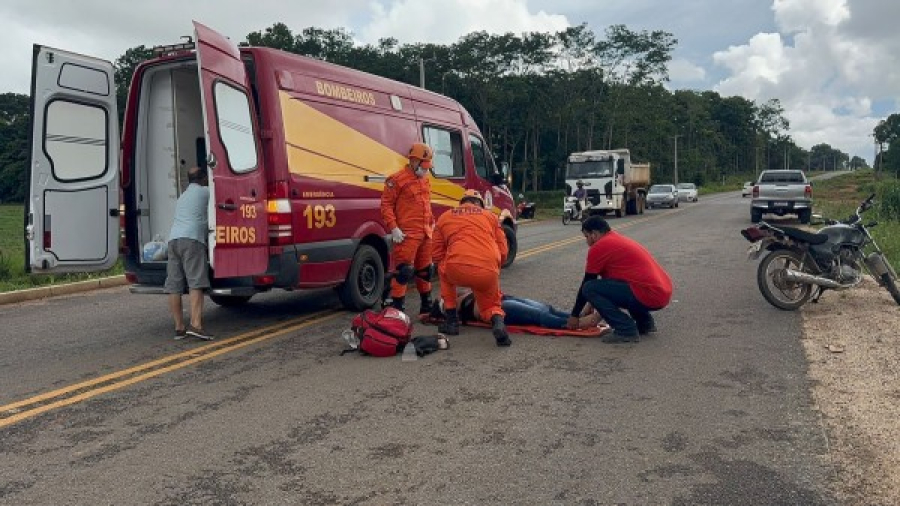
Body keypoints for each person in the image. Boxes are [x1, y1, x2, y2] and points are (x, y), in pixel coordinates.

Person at [567, 216, 673, 343]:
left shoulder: (599, 247)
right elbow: (611, 286)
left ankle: (626, 330)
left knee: (588, 287)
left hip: (649, 294)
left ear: (594, 234)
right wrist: (592, 306)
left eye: (586, 237)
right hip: (660, 292)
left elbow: (588, 283)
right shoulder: (614, 239)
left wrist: (574, 315)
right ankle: (644, 323)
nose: (587, 241)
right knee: (627, 286)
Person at [432, 189, 511, 346]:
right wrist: (495, 267)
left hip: (456, 269)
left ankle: (452, 321)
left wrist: (446, 263)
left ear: (462, 202)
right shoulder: (490, 217)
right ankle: (497, 322)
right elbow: (503, 252)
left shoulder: (445, 217)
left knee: (443, 271)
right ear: (479, 204)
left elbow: (436, 253)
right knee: (491, 304)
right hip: (487, 270)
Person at [380, 142, 436, 315]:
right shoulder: (396, 180)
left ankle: (426, 305)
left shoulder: (424, 180)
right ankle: (397, 307)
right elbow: (386, 206)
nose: (426, 170)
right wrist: (394, 228)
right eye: (424, 166)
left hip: (426, 233)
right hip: (407, 235)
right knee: (404, 271)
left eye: (428, 166)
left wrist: (432, 224)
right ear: (413, 161)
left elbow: (426, 205)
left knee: (426, 271)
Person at [165, 166, 213, 340]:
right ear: (203, 179)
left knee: (174, 285)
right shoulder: (205, 192)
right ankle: (196, 325)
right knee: (195, 283)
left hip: (173, 241)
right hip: (191, 240)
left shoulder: (182, 196)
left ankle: (179, 328)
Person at [435, 289, 602, 330]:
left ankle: (578, 315)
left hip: (503, 299)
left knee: (546, 307)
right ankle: (578, 323)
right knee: (539, 315)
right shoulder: (451, 306)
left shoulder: (458, 294)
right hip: (497, 309)